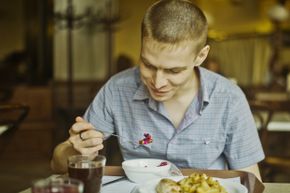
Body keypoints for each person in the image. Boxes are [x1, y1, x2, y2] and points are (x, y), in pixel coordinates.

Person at [51, 0, 264, 180]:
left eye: (173, 70)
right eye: (148, 65)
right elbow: (58, 165)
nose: (158, 82)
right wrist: (74, 149)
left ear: (201, 56)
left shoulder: (229, 98)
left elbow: (250, 180)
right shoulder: (117, 90)